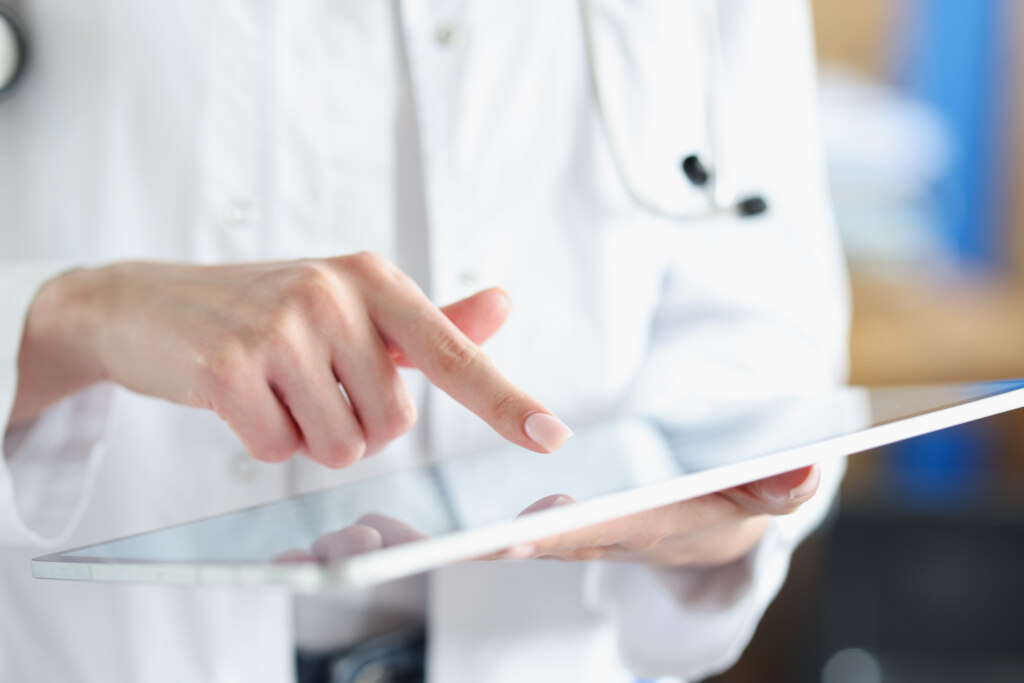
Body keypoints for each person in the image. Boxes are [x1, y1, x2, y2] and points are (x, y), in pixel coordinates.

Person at [0, 1, 849, 681]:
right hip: (98, 649)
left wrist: (709, 508)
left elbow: (765, 319)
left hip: (552, 648)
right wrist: (73, 317)